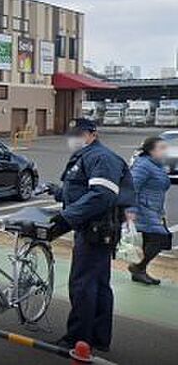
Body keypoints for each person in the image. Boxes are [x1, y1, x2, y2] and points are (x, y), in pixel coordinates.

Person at [47, 118, 132, 353]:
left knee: (83, 284)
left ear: (93, 134)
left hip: (96, 230)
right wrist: (57, 192)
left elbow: (101, 195)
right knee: (98, 284)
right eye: (72, 134)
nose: (74, 138)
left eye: (80, 133)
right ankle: (98, 338)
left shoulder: (101, 157)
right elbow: (81, 190)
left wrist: (66, 217)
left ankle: (77, 339)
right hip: (92, 229)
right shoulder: (87, 156)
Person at [128, 136, 172, 285]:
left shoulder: (157, 165)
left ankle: (140, 270)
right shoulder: (143, 165)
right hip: (143, 209)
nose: (165, 151)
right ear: (151, 150)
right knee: (160, 238)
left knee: (151, 240)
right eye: (162, 148)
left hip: (154, 209)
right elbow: (132, 187)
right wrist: (131, 209)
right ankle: (138, 267)